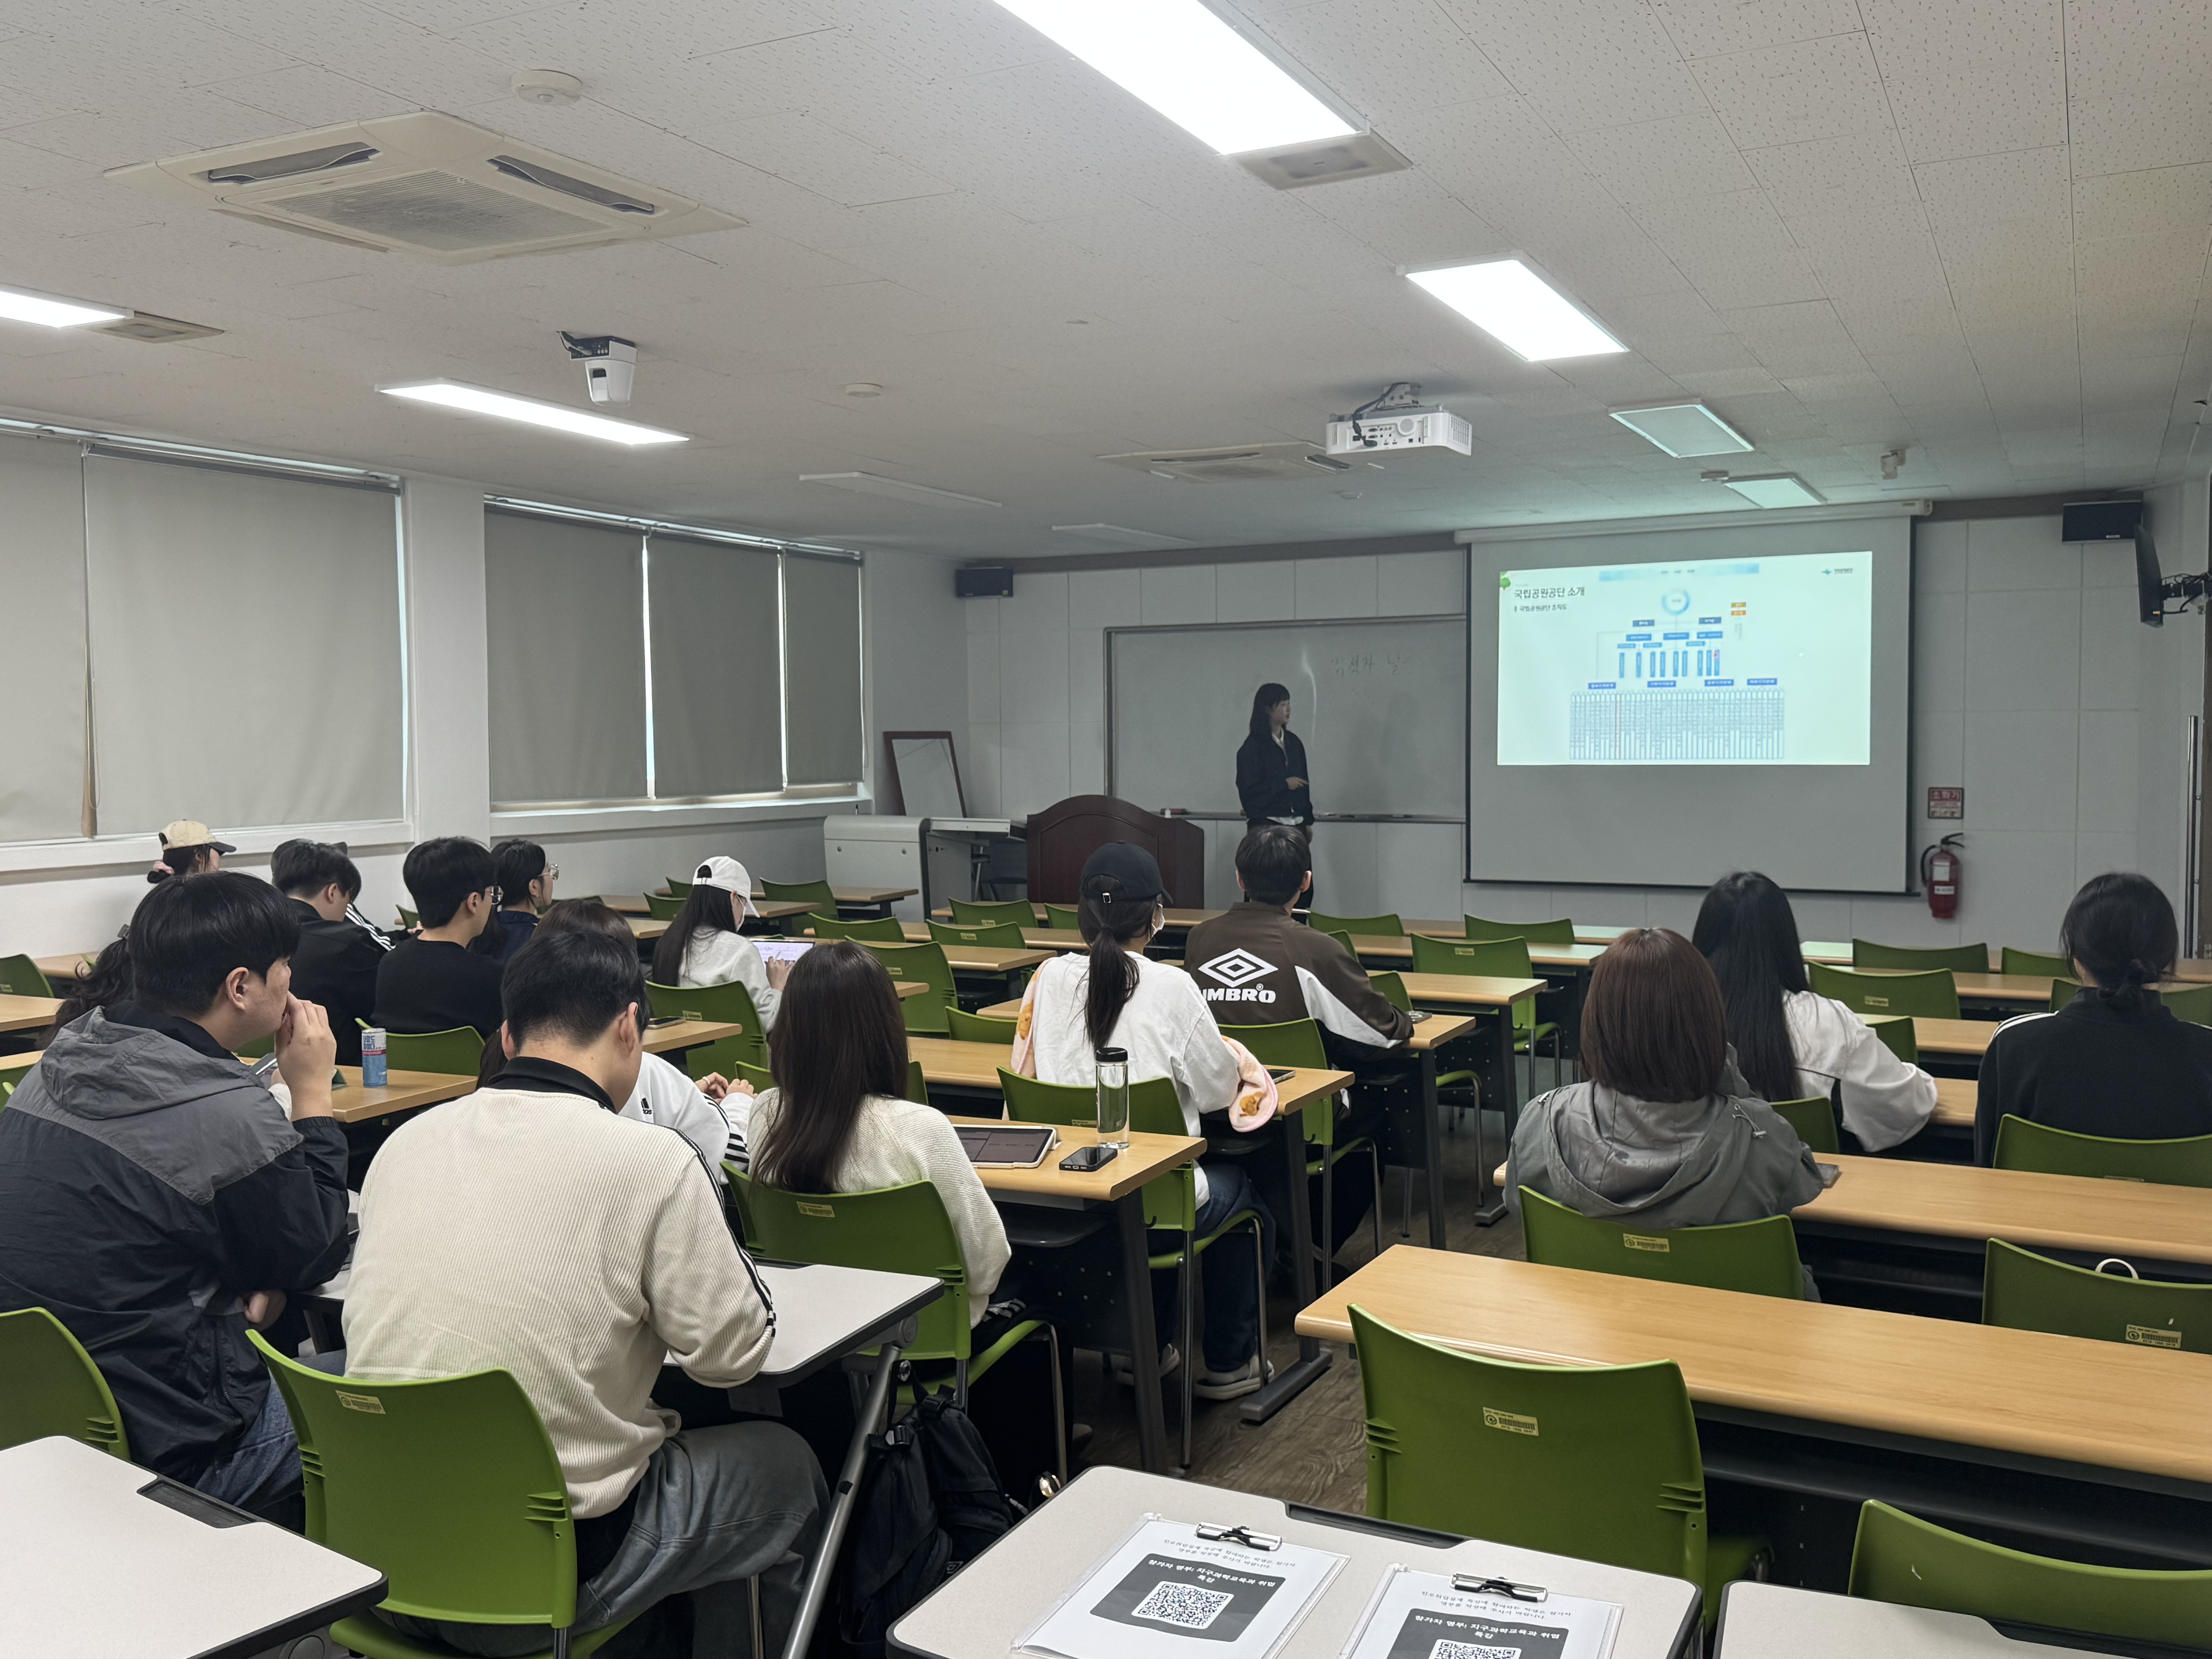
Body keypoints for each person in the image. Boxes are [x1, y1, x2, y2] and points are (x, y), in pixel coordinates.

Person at [344, 928, 822, 1655]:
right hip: (541, 1574)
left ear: (507, 1037)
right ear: (629, 1026)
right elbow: (730, 1357)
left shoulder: (403, 1142)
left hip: (377, 1552)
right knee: (786, 1465)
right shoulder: (652, 1159)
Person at [0, 873, 348, 1515]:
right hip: (176, 1449)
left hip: (44, 1421)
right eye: (285, 971)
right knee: (392, 1385)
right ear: (241, 986)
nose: (291, 988)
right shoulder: (226, 1111)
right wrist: (313, 1095)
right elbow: (314, 1251)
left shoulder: (56, 1061)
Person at [1014, 842, 1278, 1400]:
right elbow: (1214, 1094)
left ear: (1082, 913)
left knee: (1155, 1197)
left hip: (1064, 1191)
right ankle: (1230, 1363)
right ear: (1155, 917)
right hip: (1149, 1201)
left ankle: (1150, 1348)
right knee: (1242, 1198)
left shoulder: (1045, 979)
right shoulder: (1171, 986)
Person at [737, 941, 1009, 1324]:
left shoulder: (766, 1113)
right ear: (885, 1029)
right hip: (923, 1338)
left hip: (816, 1330)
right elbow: (986, 1262)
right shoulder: (920, 1129)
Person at [1506, 928, 1826, 1236]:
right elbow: (1803, 1190)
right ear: (1708, 1024)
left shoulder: (1540, 1119)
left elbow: (1518, 1209)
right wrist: (1728, 1075)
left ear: (1597, 1021)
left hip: (1578, 1292)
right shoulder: (1761, 1138)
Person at [1691, 871, 1936, 1151]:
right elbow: (1906, 1109)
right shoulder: (1828, 1023)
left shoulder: (1669, 1018)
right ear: (1785, 940)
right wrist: (1920, 1079)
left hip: (1690, 1189)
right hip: (1807, 1191)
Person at [1975, 873, 2212, 1163]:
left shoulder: (2014, 1044)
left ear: (2076, 953)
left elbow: (1988, 1166)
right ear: (2164, 957)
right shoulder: (2206, 1052)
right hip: (2179, 1211)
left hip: (2040, 1209)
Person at [532, 899, 738, 1181]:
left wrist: (685, 1094)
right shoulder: (647, 1071)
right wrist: (740, 1105)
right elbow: (727, 1156)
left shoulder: (511, 1072)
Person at [1185, 826, 1411, 1063]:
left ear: (1240, 879)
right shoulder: (1319, 948)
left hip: (1215, 1094)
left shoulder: (1200, 938)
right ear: (1306, 882)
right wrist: (1403, 1019)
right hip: (1303, 1096)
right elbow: (1380, 1033)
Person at [374, 836, 506, 1040]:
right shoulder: (490, 976)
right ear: (474, 901)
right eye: (492, 894)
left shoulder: (390, 964)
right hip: (473, 1073)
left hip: (399, 1073)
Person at [272, 838, 387, 1066]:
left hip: (264, 1069)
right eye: (348, 901)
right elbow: (381, 1012)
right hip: (338, 1072)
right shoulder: (345, 942)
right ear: (333, 892)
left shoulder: (250, 932)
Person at [651, 855, 790, 1027]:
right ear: (734, 898)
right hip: (738, 1052)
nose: (743, 915)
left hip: (681, 1050)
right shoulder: (741, 951)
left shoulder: (669, 943)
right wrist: (777, 988)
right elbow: (767, 1021)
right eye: (743, 904)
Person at [1235, 682, 1312, 836]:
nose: (1288, 709)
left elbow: (1304, 785)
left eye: (1289, 704)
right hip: (1266, 826)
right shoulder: (1252, 748)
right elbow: (1249, 791)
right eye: (1283, 705)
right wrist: (1284, 785)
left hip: (1297, 824)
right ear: (1268, 710)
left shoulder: (1294, 743)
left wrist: (1308, 821)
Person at [484, 838, 556, 963]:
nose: (552, 879)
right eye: (549, 872)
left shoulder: (482, 931)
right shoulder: (542, 938)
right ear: (534, 887)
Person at [148, 818, 232, 883]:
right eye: (217, 850)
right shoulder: (213, 900)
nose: (219, 856)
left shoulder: (162, 896)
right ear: (199, 856)